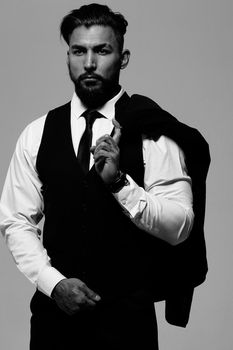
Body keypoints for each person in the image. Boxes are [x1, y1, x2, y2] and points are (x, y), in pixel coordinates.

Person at [0, 3, 210, 350]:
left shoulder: (152, 132)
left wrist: (119, 184)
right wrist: (53, 283)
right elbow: (16, 221)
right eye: (78, 51)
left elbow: (180, 227)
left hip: (127, 325)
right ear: (68, 56)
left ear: (123, 58)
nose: (89, 63)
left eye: (102, 50)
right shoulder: (36, 133)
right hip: (54, 321)